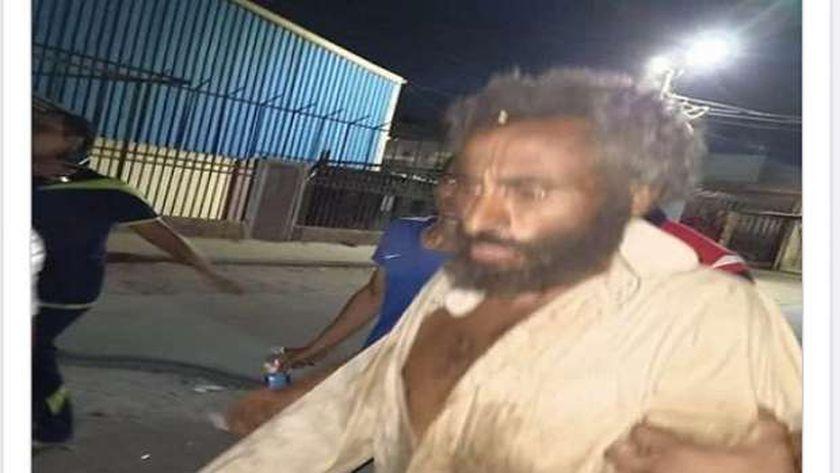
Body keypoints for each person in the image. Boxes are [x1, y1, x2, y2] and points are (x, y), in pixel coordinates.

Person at [201, 68, 800, 473]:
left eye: (528, 189)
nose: (478, 213)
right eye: (475, 183)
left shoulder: (709, 315)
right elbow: (363, 402)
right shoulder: (463, 282)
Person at [32, 107, 241, 444]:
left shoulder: (105, 189)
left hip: (65, 290)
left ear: (72, 141)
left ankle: (55, 425)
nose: (31, 130)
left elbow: (165, 238)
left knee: (33, 350)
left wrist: (207, 270)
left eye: (43, 128)